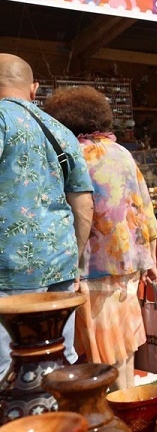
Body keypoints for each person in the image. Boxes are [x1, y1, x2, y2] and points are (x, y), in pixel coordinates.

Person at [44, 85, 157, 388]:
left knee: (97, 359)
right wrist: (150, 259)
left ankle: (109, 423)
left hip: (91, 270)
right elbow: (144, 209)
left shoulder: (73, 155)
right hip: (128, 269)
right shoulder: (122, 154)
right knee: (124, 352)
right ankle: (130, 417)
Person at [0, 53, 94, 377]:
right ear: (34, 88)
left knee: (7, 368)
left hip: (8, 270)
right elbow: (83, 202)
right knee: (59, 360)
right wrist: (75, 259)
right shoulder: (62, 131)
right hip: (59, 265)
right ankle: (59, 424)